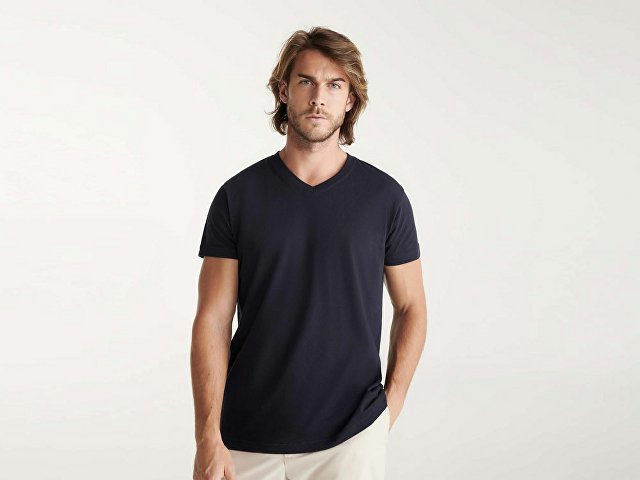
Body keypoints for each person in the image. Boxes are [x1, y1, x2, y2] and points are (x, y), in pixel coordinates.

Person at [191, 26, 427, 480]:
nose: (319, 98)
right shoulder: (238, 197)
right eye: (306, 82)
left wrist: (386, 412)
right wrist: (207, 437)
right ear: (284, 91)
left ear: (351, 99)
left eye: (334, 85)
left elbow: (412, 306)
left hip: (351, 437)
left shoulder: (385, 198)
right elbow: (213, 320)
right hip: (245, 437)